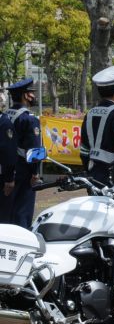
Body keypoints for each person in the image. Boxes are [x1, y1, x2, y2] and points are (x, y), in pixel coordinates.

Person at [5, 78, 42, 228]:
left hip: (6, 170)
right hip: (24, 172)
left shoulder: (5, 115)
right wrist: (35, 173)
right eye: (32, 93)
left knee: (7, 210)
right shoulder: (29, 119)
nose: (34, 96)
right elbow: (34, 150)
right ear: (26, 95)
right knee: (23, 211)